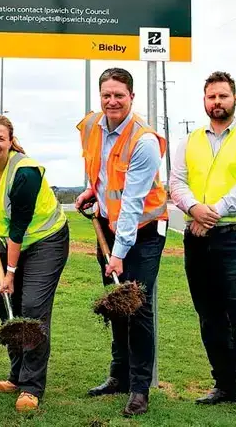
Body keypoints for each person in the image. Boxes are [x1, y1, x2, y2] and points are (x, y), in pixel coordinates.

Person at [169, 70, 236, 418]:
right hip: (197, 238)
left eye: (223, 96)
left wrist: (212, 212)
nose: (217, 102)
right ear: (204, 101)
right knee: (209, 317)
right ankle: (225, 384)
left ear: (235, 99)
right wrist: (193, 209)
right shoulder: (190, 140)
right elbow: (177, 183)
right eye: (211, 97)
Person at [74, 67, 169, 418]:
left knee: (137, 307)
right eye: (106, 95)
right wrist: (91, 191)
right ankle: (119, 375)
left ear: (131, 97)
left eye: (119, 95)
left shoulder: (143, 140)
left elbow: (131, 202)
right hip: (109, 226)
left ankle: (140, 389)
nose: (112, 101)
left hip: (143, 231)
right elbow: (100, 171)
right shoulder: (91, 126)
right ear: (100, 97)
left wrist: (117, 254)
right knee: (115, 305)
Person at [0, 114, 70, 413]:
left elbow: (20, 225)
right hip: (13, 240)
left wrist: (10, 272)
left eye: (0, 138)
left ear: (10, 140)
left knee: (31, 309)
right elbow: (1, 208)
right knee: (6, 304)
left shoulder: (26, 172)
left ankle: (31, 387)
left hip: (46, 241)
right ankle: (16, 376)